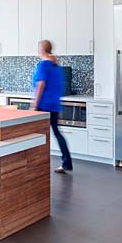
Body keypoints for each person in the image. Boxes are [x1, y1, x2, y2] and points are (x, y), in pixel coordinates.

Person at [30, 40, 72, 173]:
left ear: (41, 50)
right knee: (56, 133)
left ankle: (36, 165)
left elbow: (40, 85)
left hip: (43, 105)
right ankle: (66, 163)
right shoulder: (56, 66)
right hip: (54, 105)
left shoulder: (44, 65)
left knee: (36, 135)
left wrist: (34, 105)